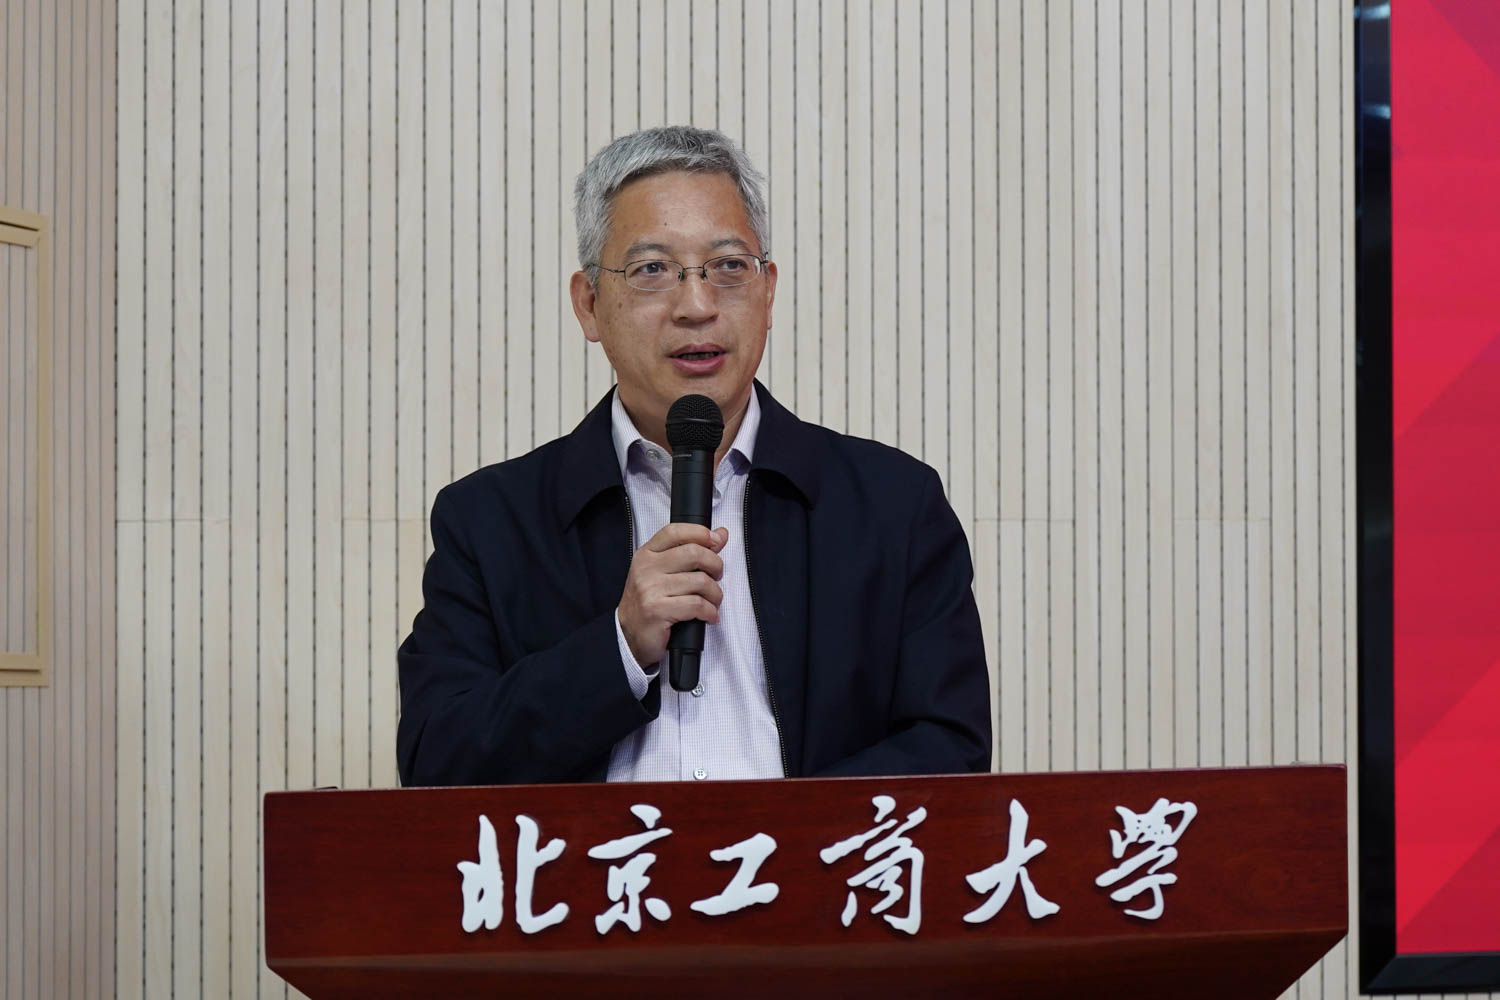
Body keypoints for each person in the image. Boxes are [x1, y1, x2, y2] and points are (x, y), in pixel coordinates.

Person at [396, 126, 990, 785]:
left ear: (768, 292)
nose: (697, 305)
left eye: (729, 267)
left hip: (804, 855)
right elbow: (436, 764)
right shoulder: (489, 521)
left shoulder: (893, 506)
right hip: (601, 858)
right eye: (652, 270)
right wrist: (618, 647)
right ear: (589, 305)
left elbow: (950, 749)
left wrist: (775, 837)